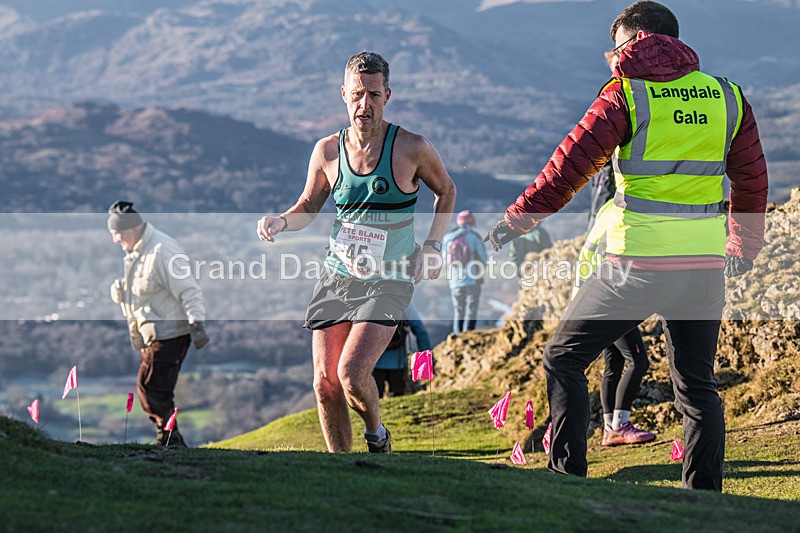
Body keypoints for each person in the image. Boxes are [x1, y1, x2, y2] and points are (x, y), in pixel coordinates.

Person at [485, 1, 768, 491]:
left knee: (564, 358)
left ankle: (566, 477)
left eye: (615, 49)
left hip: (636, 263)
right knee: (697, 387)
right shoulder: (727, 97)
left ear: (635, 40)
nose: (612, 59)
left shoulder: (626, 95)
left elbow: (568, 166)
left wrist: (516, 220)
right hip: (702, 266)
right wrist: (743, 248)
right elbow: (752, 182)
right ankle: (704, 498)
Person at [256, 51, 456, 454]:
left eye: (374, 95)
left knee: (350, 374)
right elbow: (308, 207)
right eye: (357, 94)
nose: (365, 105)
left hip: (390, 279)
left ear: (387, 96)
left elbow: (447, 191)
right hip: (338, 275)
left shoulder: (411, 148)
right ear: (343, 94)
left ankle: (377, 435)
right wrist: (281, 220)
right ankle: (342, 472)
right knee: (324, 383)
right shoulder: (328, 150)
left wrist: (433, 246)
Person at [108, 201, 209, 448]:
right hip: (156, 334)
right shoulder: (138, 253)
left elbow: (189, 289)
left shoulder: (162, 251)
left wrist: (196, 323)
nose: (115, 240)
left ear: (130, 229)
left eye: (116, 234)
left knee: (151, 389)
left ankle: (171, 439)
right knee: (154, 388)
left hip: (171, 333)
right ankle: (168, 436)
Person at [573, 199, 655, 446]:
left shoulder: (608, 207)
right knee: (638, 360)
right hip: (610, 297)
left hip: (592, 294)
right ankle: (620, 425)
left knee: (614, 362)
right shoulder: (626, 207)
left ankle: (611, 429)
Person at [372, 303, 432, 398]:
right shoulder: (404, 302)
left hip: (373, 362)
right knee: (398, 399)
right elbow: (421, 331)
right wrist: (426, 365)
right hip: (398, 362)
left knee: (373, 401)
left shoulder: (371, 301)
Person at [442, 210, 488, 334]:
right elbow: (484, 259)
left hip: (454, 281)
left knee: (458, 309)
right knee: (471, 309)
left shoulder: (447, 238)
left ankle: (457, 334)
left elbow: (443, 260)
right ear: (471, 222)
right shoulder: (474, 237)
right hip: (472, 279)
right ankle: (468, 335)